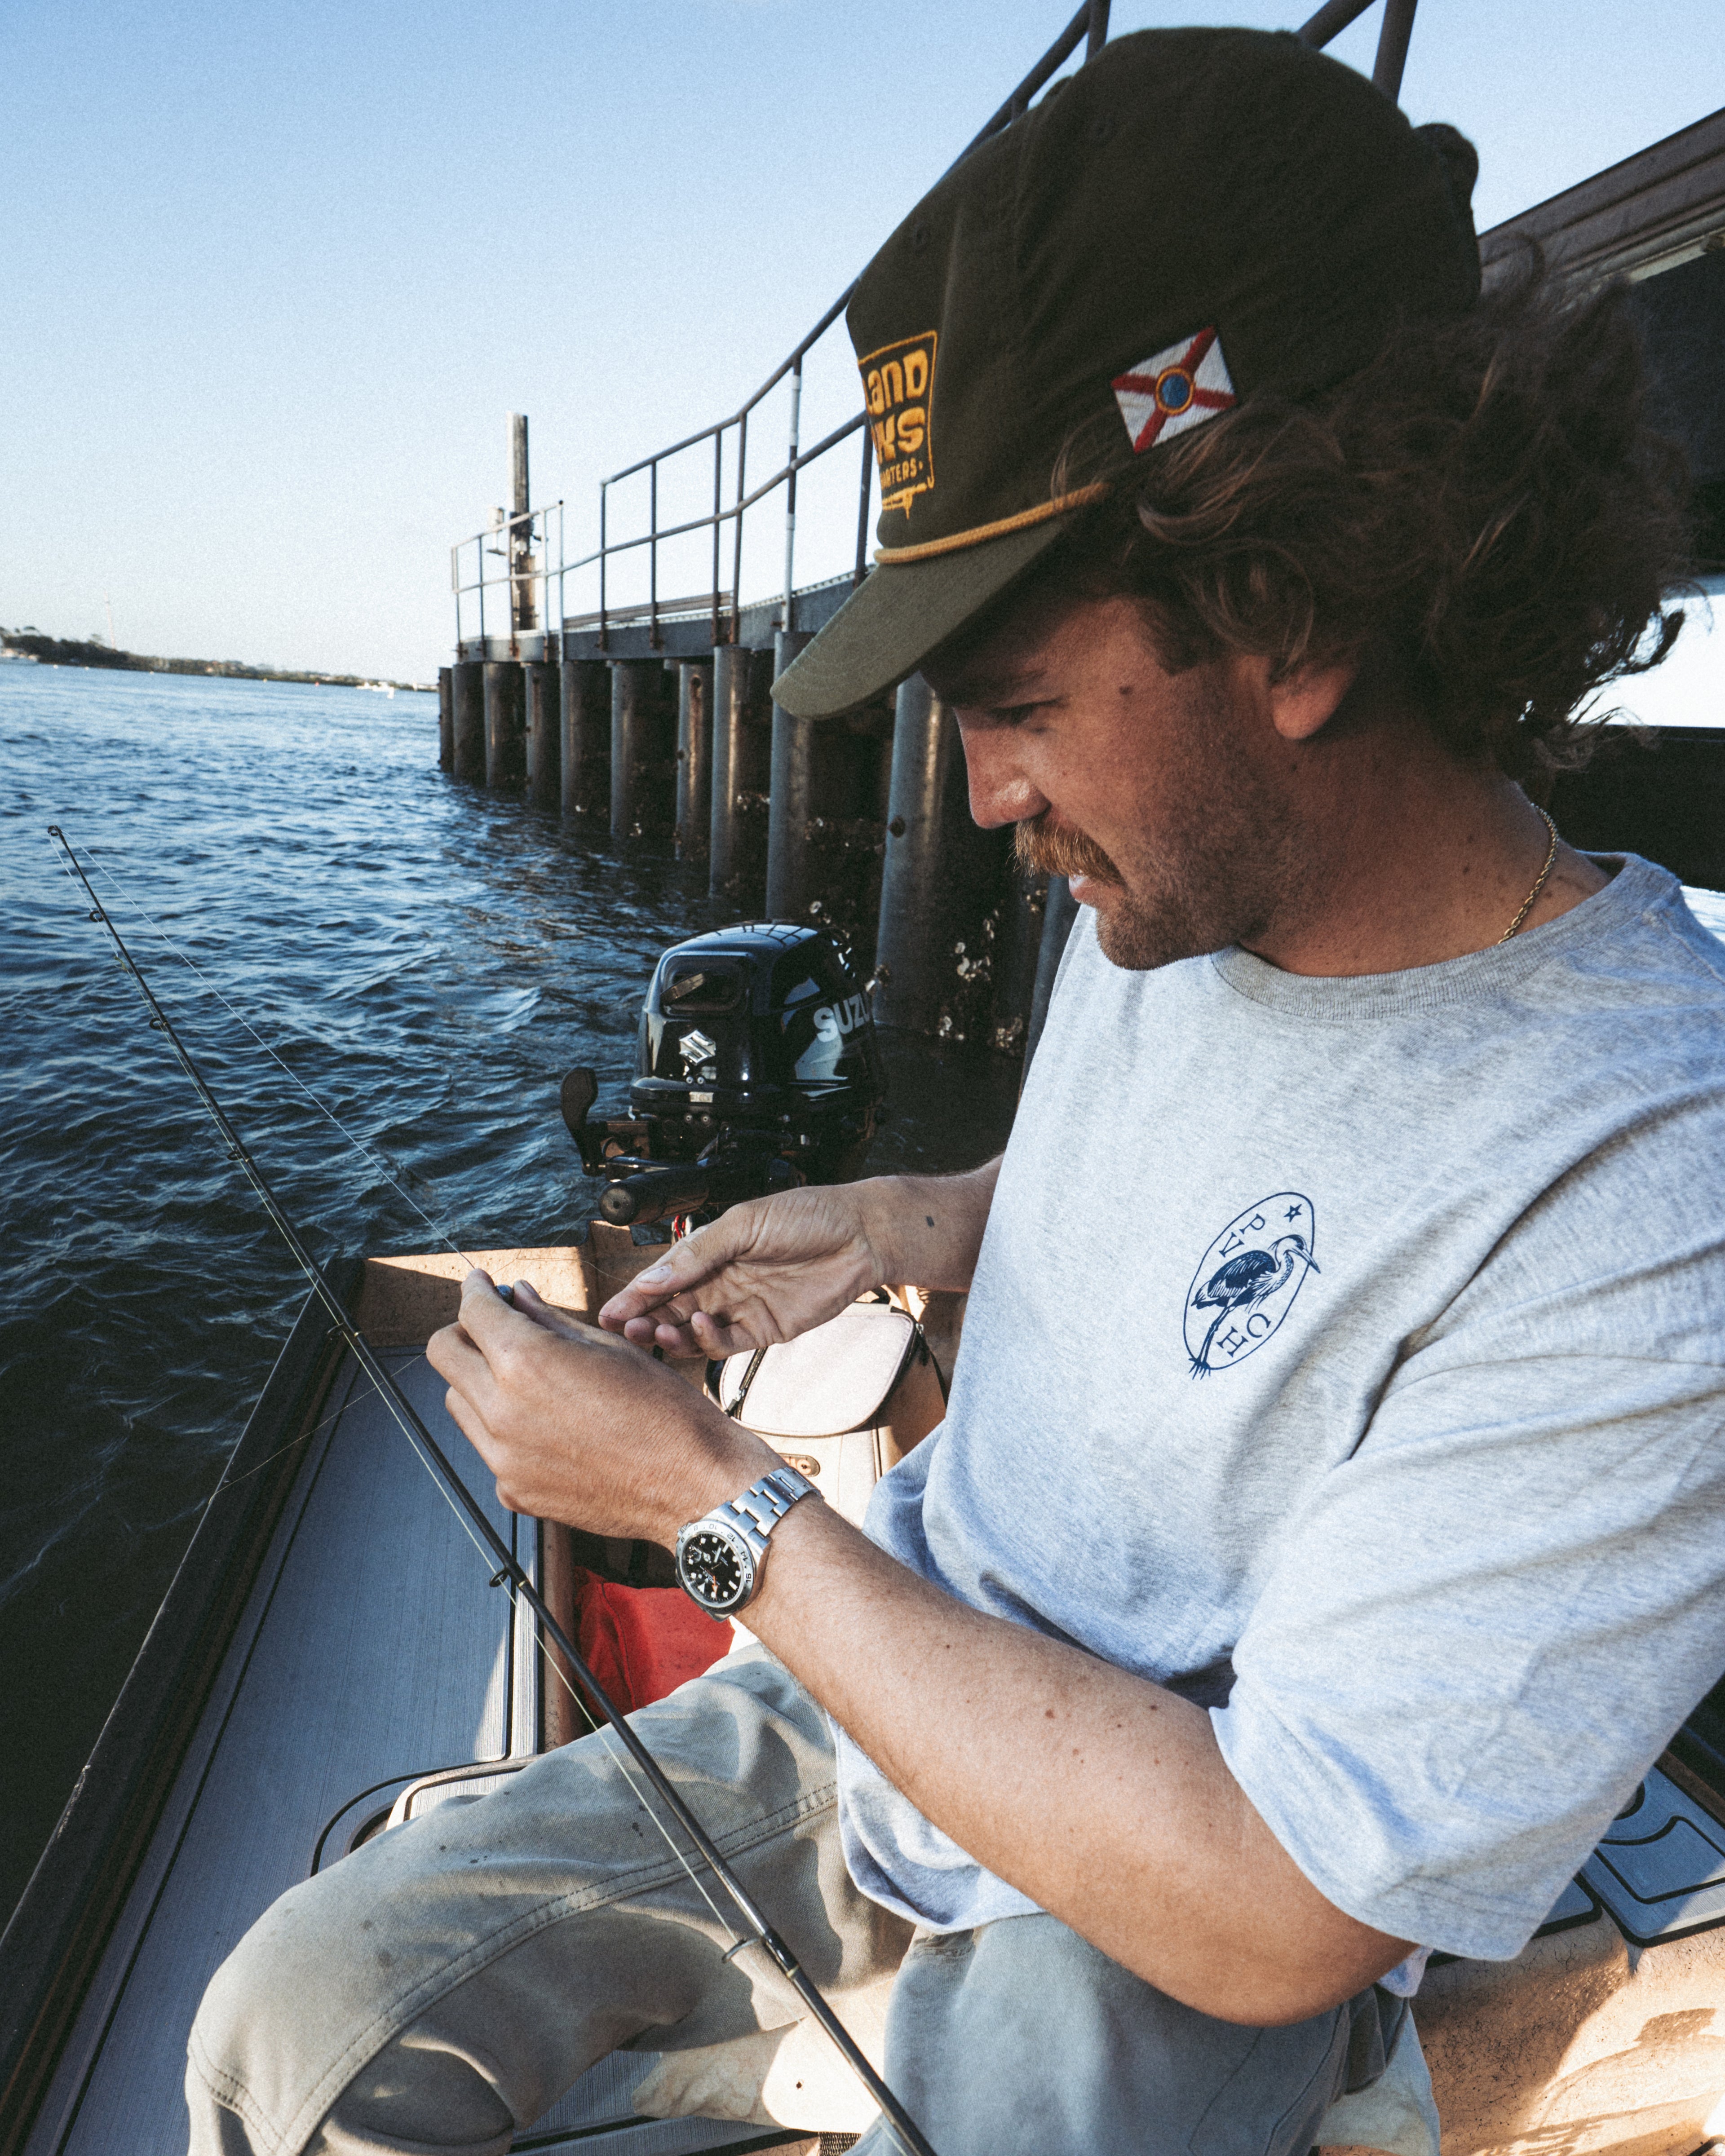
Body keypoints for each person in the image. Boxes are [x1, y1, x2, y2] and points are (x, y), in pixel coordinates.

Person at [186, 26, 1722, 2156]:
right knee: (288, 2036)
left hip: (1167, 1909)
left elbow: (1282, 1903)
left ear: (1288, 611)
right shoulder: (1167, 903)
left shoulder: (1655, 1184)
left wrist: (707, 1505)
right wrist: (918, 1216)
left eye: (1013, 706)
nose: (986, 798)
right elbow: (1221, 1187)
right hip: (888, 1683)